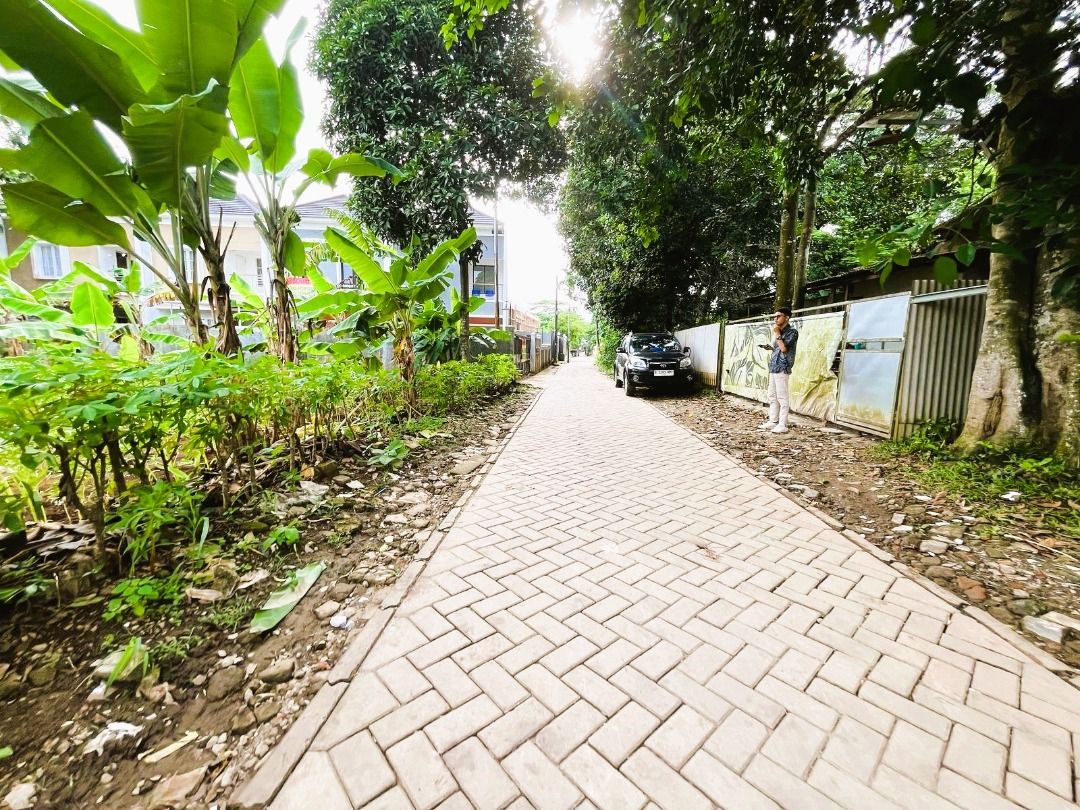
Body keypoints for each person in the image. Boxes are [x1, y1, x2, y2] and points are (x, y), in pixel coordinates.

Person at [758, 307, 798, 434]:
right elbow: (778, 348)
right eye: (774, 317)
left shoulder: (792, 332)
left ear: (787, 317)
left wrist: (776, 333)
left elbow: (784, 349)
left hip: (783, 367)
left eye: (778, 316)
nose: (775, 319)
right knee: (772, 396)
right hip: (774, 366)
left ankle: (782, 424)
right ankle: (773, 421)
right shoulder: (779, 331)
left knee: (782, 397)